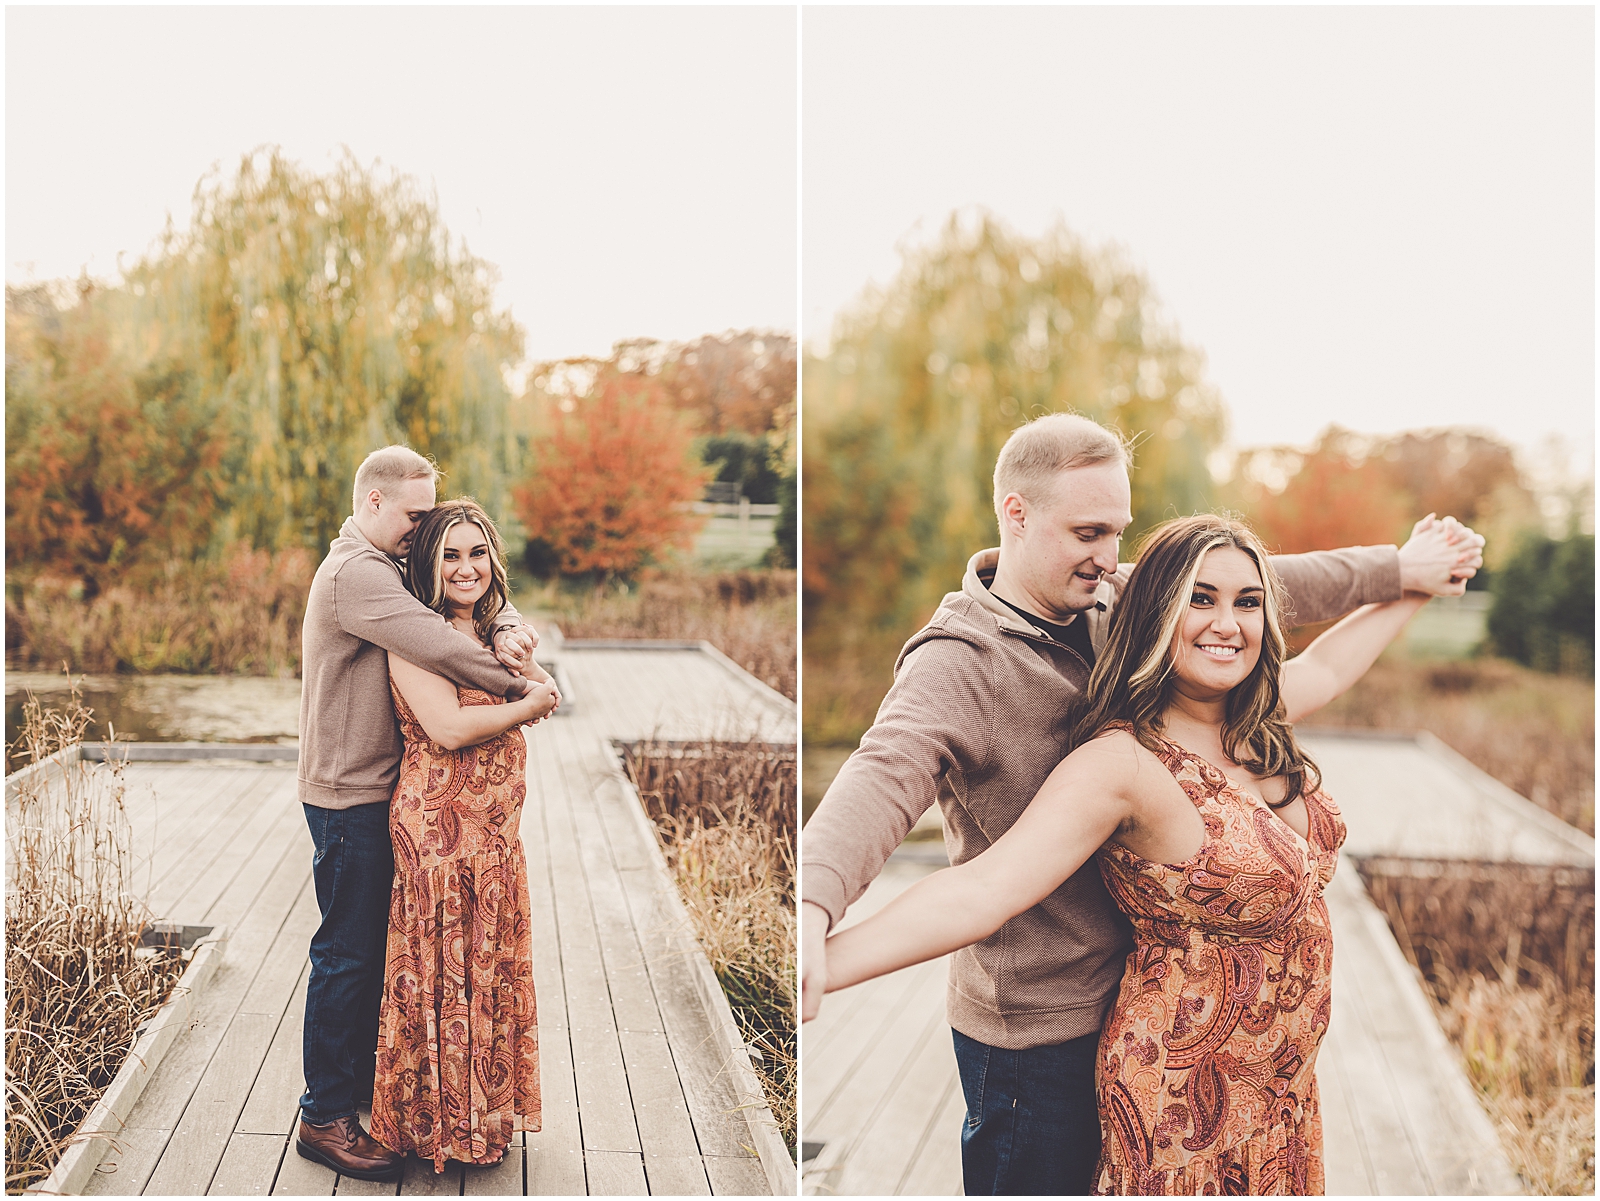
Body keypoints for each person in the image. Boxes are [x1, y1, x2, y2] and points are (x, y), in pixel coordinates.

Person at [799, 413, 1483, 1196]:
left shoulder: (1112, 603)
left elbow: (1255, 587)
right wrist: (815, 916)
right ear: (1015, 514)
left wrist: (1401, 571)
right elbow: (885, 781)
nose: (1109, 557)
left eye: (1118, 532)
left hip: (1185, 1016)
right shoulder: (960, 664)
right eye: (1089, 531)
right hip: (1041, 1027)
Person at [295, 446, 549, 1183]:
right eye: (414, 514)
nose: (421, 527)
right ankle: (325, 1116)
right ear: (372, 503)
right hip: (352, 794)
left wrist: (506, 624)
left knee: (375, 955)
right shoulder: (358, 574)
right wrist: (528, 687)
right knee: (349, 955)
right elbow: (439, 638)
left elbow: (467, 597)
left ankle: (391, 1101)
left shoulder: (384, 567)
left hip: (375, 790)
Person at [371, 498, 556, 1170]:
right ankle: (437, 1125)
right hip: (440, 835)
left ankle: (483, 1117)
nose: (466, 566)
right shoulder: (414, 636)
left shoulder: (490, 633)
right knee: (442, 974)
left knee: (487, 971)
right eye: (450, 554)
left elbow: (544, 686)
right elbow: (447, 727)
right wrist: (526, 705)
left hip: (496, 840)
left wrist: (514, 640)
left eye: (476, 552)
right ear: (427, 563)